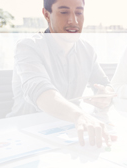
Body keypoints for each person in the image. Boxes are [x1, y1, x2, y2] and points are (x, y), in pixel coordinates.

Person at [7, 0, 115, 147]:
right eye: (64, 12)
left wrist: (106, 96)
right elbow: (41, 93)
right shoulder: (28, 47)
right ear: (46, 14)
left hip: (68, 132)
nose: (74, 20)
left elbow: (104, 84)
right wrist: (80, 116)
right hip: (28, 136)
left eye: (79, 12)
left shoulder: (87, 49)